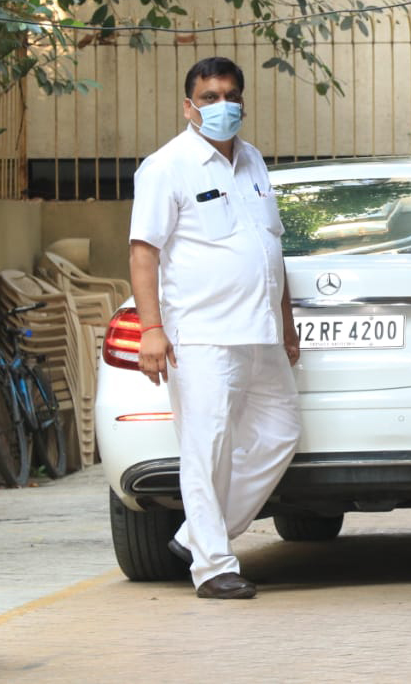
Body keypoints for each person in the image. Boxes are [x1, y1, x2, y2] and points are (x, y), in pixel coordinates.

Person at [129, 56, 302, 600]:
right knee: (207, 451)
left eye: (230, 95)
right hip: (201, 334)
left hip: (261, 331)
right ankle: (212, 567)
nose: (221, 105)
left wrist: (286, 323)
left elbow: (270, 246)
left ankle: (196, 536)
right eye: (209, 97)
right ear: (189, 106)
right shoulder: (167, 166)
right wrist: (151, 329)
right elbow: (143, 252)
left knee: (281, 433)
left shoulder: (253, 160)